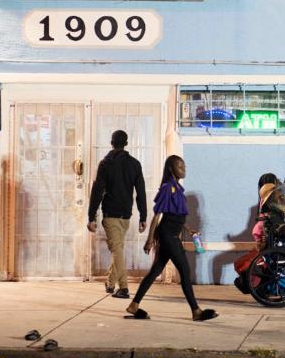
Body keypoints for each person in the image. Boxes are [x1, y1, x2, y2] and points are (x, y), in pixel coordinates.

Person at [125, 155, 218, 321]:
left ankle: (134, 305)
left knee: (155, 271)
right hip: (168, 235)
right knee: (184, 270)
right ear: (171, 169)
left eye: (184, 166)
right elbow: (158, 216)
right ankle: (196, 311)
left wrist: (188, 229)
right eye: (180, 166)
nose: (184, 169)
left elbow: (174, 215)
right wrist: (149, 239)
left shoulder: (177, 188)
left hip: (172, 233)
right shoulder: (168, 188)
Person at [86, 130, 147, 299]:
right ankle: (111, 283)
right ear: (126, 143)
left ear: (111, 143)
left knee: (117, 250)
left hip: (111, 213)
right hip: (126, 215)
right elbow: (140, 191)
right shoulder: (135, 164)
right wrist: (143, 216)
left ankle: (124, 288)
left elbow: (97, 191)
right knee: (118, 249)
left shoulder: (106, 164)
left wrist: (91, 216)